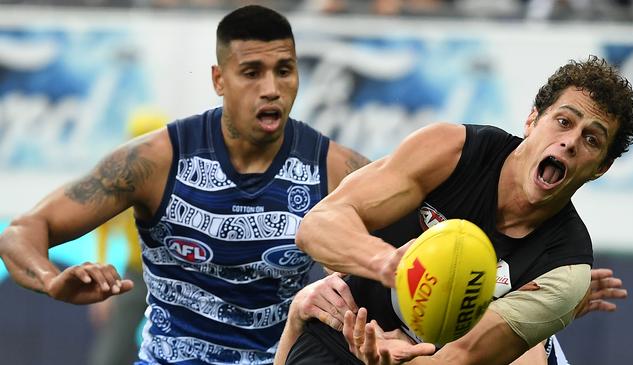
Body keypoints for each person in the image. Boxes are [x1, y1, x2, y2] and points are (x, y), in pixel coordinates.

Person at [0, 5, 368, 365]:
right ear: (219, 79)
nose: (271, 89)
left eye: (284, 71)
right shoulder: (156, 161)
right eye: (252, 72)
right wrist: (50, 281)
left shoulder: (336, 170)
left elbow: (415, 247)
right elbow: (22, 231)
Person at [284, 56, 633, 365]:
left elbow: (460, 358)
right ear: (532, 120)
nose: (569, 143)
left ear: (601, 168)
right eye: (563, 121)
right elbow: (317, 226)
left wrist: (400, 358)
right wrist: (390, 265)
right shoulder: (451, 150)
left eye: (591, 139)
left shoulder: (564, 271)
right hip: (343, 333)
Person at [88, 108, 168, 365]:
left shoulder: (178, 179)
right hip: (136, 274)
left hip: (173, 276)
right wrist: (103, 288)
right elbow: (102, 230)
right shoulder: (121, 185)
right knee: (111, 353)